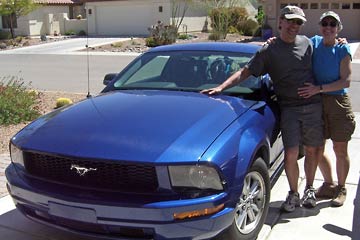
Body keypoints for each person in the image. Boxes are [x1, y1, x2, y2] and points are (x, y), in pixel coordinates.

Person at [201, 5, 324, 212]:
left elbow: (330, 52)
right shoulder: (269, 50)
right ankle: (293, 193)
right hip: (289, 108)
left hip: (312, 105)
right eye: (290, 20)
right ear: (281, 22)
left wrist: (340, 42)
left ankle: (309, 189)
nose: (294, 26)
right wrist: (222, 87)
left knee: (312, 150)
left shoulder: (308, 44)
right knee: (291, 153)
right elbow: (246, 72)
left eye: (298, 22)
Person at [298, 11, 356, 207]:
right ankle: (328, 184)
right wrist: (272, 40)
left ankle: (341, 188)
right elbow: (291, 40)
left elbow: (345, 80)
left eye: (333, 24)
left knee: (340, 148)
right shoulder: (314, 42)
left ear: (338, 28)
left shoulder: (342, 49)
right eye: (325, 23)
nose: (328, 27)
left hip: (338, 102)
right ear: (320, 26)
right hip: (317, 102)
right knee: (316, 148)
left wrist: (319, 88)